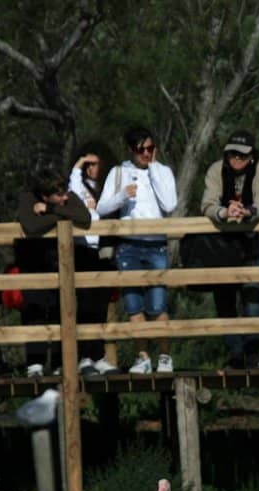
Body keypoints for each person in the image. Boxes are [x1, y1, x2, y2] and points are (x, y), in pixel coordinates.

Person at [97, 126, 178, 374]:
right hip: (128, 245)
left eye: (150, 148)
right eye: (141, 149)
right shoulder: (118, 172)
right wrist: (122, 196)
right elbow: (101, 208)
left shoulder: (163, 171)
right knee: (133, 304)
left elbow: (170, 204)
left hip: (156, 244)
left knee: (158, 303)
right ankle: (142, 356)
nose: (146, 153)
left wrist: (153, 168)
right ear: (131, 150)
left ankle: (164, 356)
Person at [198, 129, 259, 369]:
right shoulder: (215, 170)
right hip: (222, 247)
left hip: (250, 244)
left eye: (242, 155)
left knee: (253, 302)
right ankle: (235, 354)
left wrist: (248, 211)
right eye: (232, 154)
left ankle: (252, 355)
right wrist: (224, 212)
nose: (236, 159)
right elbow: (207, 203)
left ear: (251, 156)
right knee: (225, 303)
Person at [15, 169, 92, 378]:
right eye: (59, 196)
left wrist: (50, 209)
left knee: (63, 310)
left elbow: (84, 218)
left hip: (61, 264)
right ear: (44, 194)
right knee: (35, 311)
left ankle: (61, 363)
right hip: (33, 264)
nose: (65, 197)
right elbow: (31, 226)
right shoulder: (26, 199)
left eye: (65, 193)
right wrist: (60, 216)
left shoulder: (65, 197)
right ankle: (35, 363)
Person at [67, 143, 119, 377]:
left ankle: (98, 356)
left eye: (96, 164)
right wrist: (78, 164)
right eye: (88, 165)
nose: (92, 169)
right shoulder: (79, 188)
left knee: (101, 305)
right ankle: (83, 356)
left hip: (105, 251)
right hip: (84, 250)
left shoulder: (107, 187)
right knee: (86, 305)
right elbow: (72, 185)